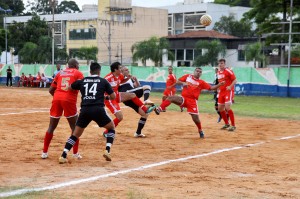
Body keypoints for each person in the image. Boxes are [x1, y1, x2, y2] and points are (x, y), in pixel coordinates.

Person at [59, 62, 116, 163]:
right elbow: (113, 97)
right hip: (98, 109)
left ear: (90, 71)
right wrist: (105, 97)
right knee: (111, 128)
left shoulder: (82, 81)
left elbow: (70, 87)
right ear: (99, 71)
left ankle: (63, 154)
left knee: (75, 134)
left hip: (85, 110)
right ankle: (107, 150)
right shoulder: (103, 81)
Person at [154, 67, 224, 138]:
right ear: (194, 71)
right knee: (170, 98)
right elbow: (177, 81)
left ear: (201, 74)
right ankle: (159, 109)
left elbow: (211, 88)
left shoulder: (201, 82)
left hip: (192, 102)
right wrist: (183, 83)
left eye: (200, 72)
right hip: (183, 98)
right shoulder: (188, 76)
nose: (198, 72)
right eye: (197, 71)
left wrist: (220, 84)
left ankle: (200, 130)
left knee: (196, 119)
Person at [41, 58, 84, 159]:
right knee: (75, 127)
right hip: (69, 99)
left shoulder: (60, 73)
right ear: (76, 65)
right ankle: (75, 153)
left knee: (51, 126)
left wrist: (58, 98)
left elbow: (51, 90)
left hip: (57, 98)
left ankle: (44, 152)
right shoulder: (78, 73)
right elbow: (83, 88)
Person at [103, 62, 155, 137]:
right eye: (120, 68)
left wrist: (128, 78)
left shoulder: (119, 76)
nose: (121, 69)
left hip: (117, 95)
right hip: (109, 99)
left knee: (133, 95)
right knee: (120, 117)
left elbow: (122, 81)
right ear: (115, 69)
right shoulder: (107, 78)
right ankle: (107, 132)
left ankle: (145, 109)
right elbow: (100, 87)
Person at [118, 66, 154, 137]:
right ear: (121, 72)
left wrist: (136, 80)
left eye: (128, 70)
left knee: (145, 114)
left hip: (132, 98)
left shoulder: (130, 79)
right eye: (126, 70)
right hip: (126, 94)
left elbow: (137, 87)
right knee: (147, 87)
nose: (128, 71)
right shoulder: (119, 79)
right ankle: (146, 101)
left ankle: (138, 132)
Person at [217, 58, 237, 131]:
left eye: (222, 63)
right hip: (221, 92)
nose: (220, 64)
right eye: (219, 63)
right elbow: (220, 82)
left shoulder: (228, 71)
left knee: (227, 107)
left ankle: (233, 125)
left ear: (224, 64)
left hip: (228, 91)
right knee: (220, 108)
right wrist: (218, 88)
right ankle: (227, 124)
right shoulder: (218, 72)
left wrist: (230, 86)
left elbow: (235, 80)